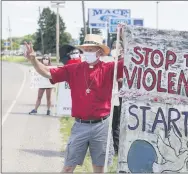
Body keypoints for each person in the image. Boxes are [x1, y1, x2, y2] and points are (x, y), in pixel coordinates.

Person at [24, 33, 124, 173]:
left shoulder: (109, 69)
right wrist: (34, 60)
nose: (87, 53)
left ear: (100, 52)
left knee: (99, 168)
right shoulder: (73, 69)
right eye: (86, 50)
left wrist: (126, 38)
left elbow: (130, 62)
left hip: (102, 126)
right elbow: (48, 72)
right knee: (68, 167)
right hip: (80, 125)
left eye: (91, 50)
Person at [110, 39, 124, 154]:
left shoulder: (123, 62)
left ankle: (117, 148)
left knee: (117, 123)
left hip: (121, 96)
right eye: (113, 47)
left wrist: (122, 80)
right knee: (113, 123)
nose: (114, 49)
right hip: (113, 96)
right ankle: (114, 147)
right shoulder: (112, 62)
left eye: (117, 47)